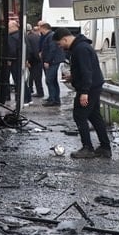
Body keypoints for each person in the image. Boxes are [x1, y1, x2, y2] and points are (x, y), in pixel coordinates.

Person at [52, 27, 111, 158]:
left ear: (65, 39)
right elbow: (84, 69)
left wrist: (84, 92)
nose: (60, 47)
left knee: (79, 115)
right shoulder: (80, 47)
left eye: (59, 44)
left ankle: (87, 148)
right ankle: (105, 147)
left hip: (89, 88)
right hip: (93, 86)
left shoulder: (81, 49)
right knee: (94, 116)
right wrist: (73, 77)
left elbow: (87, 71)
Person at [36, 21, 65, 106]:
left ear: (44, 28)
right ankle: (53, 98)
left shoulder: (51, 36)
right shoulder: (47, 36)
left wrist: (48, 61)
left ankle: (53, 100)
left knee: (49, 80)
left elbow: (52, 49)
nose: (38, 29)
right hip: (51, 61)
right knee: (53, 80)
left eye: (39, 27)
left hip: (52, 61)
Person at [4, 18, 21, 104]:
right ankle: (20, 97)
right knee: (18, 79)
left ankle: (7, 96)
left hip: (12, 61)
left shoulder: (11, 37)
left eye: (9, 27)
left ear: (13, 27)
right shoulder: (20, 35)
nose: (8, 29)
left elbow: (11, 50)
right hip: (19, 60)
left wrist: (9, 59)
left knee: (7, 78)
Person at [25, 23, 44, 104]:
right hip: (39, 59)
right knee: (37, 77)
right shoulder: (37, 36)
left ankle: (36, 92)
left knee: (32, 76)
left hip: (33, 60)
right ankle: (39, 92)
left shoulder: (28, 37)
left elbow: (29, 50)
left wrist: (28, 60)